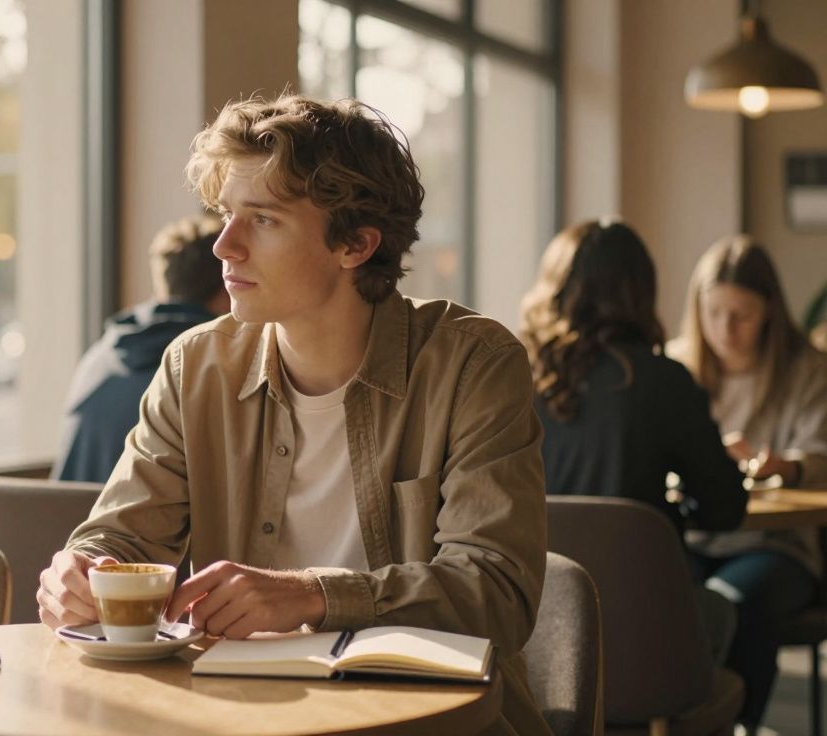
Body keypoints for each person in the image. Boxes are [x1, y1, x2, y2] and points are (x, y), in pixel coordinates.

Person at [36, 95, 550, 735]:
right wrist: (83, 570)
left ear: (356, 244)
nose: (225, 245)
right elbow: (122, 536)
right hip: (244, 717)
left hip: (430, 721)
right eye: (226, 215)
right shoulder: (194, 366)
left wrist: (311, 594)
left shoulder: (473, 364)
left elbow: (495, 593)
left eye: (264, 220)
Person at [519, 219, 746, 662]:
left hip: (533, 635)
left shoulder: (515, 379)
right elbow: (725, 507)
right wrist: (669, 510)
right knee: (725, 610)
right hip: (642, 634)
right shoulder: (663, 381)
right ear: (639, 293)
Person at [672, 236, 827, 733]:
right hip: (694, 538)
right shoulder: (675, 368)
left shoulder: (806, 372)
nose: (726, 329)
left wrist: (781, 465)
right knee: (660, 597)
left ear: (770, 313)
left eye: (741, 314)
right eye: (714, 313)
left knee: (730, 606)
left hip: (778, 544)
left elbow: (822, 457)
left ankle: (731, 725)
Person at [53, 215, 228, 483]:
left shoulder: (101, 356)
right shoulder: (209, 368)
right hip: (136, 523)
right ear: (227, 287)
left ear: (163, 284)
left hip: (73, 523)